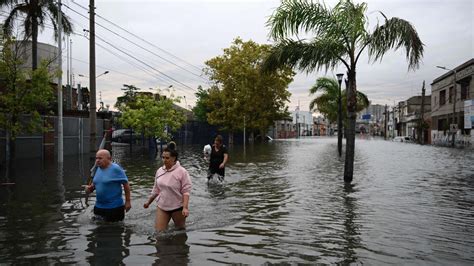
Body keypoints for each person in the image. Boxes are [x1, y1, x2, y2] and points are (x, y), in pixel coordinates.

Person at [143, 147, 192, 232]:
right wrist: (148, 202)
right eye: (163, 157)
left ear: (174, 158)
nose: (164, 160)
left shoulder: (182, 172)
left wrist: (185, 208)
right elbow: (156, 189)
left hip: (177, 207)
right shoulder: (160, 171)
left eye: (167, 158)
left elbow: (186, 192)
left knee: (180, 232)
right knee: (159, 233)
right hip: (162, 206)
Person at [85, 149, 132, 222]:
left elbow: (126, 184)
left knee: (113, 230)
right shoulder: (98, 168)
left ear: (109, 159)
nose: (97, 160)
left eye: (100, 158)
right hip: (98, 207)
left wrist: (128, 201)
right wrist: (89, 189)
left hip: (114, 208)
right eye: (96, 158)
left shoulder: (115, 169)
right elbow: (96, 184)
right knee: (98, 231)